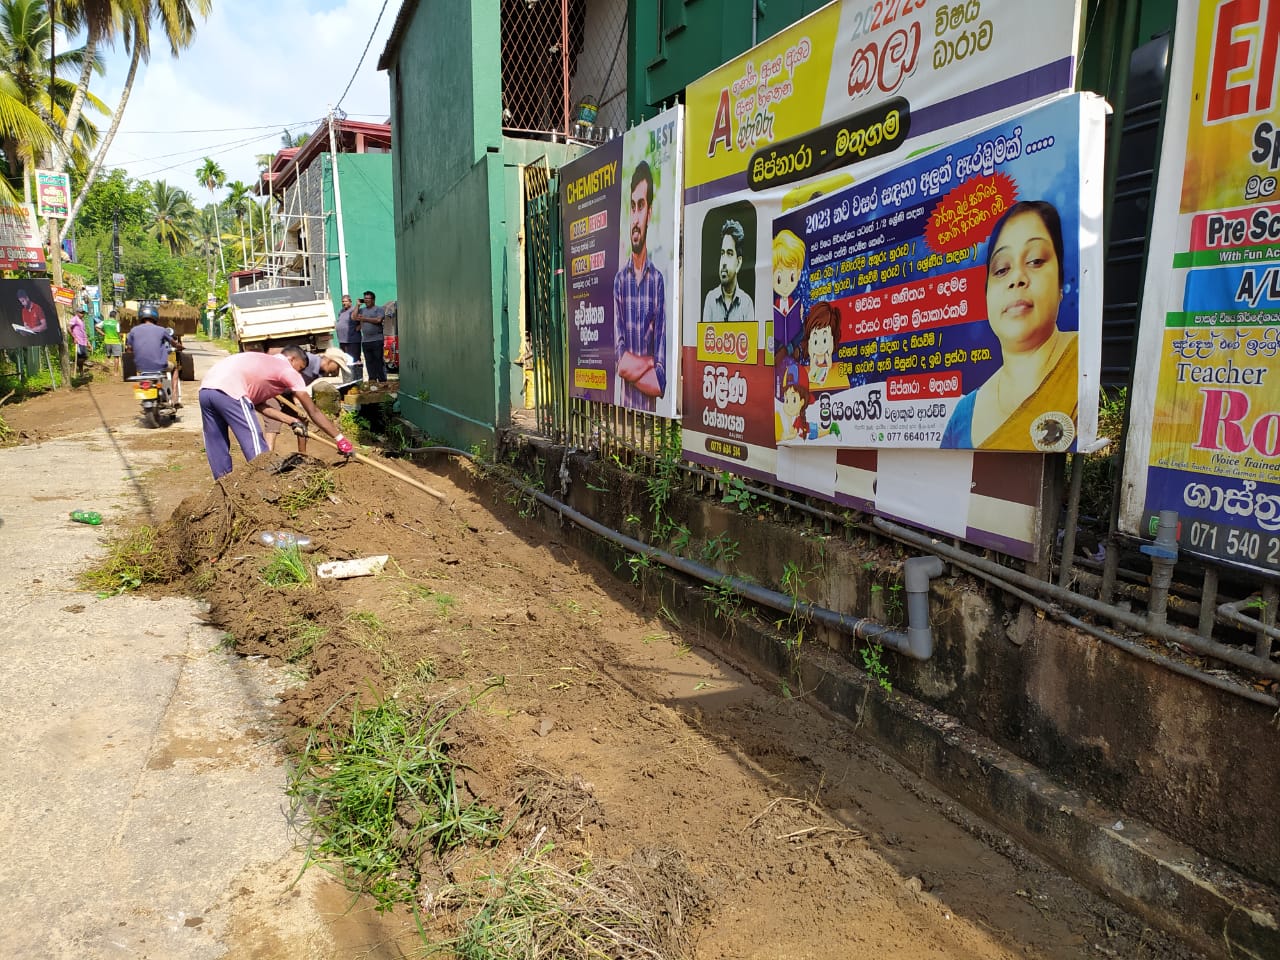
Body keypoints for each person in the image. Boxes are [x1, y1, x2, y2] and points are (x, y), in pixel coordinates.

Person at [941, 200, 1077, 450]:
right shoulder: (963, 415)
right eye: (1002, 269)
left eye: (1035, 261)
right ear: (986, 296)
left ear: (1060, 284)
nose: (1017, 279)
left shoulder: (1083, 364)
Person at [199, 346, 354, 479]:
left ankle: (222, 485)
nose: (299, 373)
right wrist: (339, 438)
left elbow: (260, 406)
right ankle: (263, 481)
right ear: (292, 359)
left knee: (216, 443)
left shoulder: (266, 363)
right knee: (254, 442)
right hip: (231, 391)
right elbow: (312, 410)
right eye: (300, 368)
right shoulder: (287, 369)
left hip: (206, 390)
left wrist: (291, 421)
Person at [612, 160, 666, 411]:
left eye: (641, 206)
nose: (636, 216)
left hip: (651, 424)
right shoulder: (620, 282)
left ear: (650, 212)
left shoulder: (657, 283)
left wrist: (636, 365)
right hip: (622, 417)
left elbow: (660, 381)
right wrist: (648, 362)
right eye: (632, 206)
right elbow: (620, 363)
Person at [261, 347, 354, 453]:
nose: (337, 372)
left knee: (302, 420)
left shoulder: (318, 371)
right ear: (330, 361)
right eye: (337, 367)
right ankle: (266, 456)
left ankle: (302, 455)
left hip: (287, 392)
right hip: (273, 391)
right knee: (273, 422)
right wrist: (298, 402)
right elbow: (292, 379)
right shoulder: (307, 362)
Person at [702, 218, 754, 325]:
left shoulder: (746, 303)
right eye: (722, 253)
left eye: (729, 253)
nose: (724, 262)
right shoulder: (710, 300)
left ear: (738, 263)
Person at [125, 306, 180, 403]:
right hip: (159, 366)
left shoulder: (133, 331)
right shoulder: (162, 330)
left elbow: (129, 348)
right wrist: (179, 346)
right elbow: (173, 343)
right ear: (155, 317)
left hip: (140, 367)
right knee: (175, 368)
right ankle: (175, 398)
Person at [772, 229, 805, 358]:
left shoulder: (795, 305)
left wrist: (800, 318)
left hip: (792, 347)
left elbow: (800, 331)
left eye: (791, 277)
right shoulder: (776, 305)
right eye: (779, 279)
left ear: (798, 274)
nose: (785, 284)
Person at [353, 289, 386, 383]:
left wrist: (365, 319)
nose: (366, 300)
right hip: (366, 340)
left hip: (377, 339)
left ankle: (382, 380)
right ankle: (372, 380)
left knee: (378, 361)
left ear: (373, 300)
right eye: (365, 299)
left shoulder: (379, 309)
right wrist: (357, 305)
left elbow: (379, 320)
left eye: (368, 298)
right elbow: (354, 317)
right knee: (369, 361)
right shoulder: (362, 310)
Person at [97, 309, 123, 374]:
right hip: (115, 341)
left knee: (108, 356)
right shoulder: (116, 323)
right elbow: (118, 332)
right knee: (116, 357)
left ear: (109, 315)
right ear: (115, 316)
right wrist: (121, 338)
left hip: (107, 341)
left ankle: (105, 371)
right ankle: (115, 372)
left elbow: (96, 327)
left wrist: (103, 333)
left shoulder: (104, 322)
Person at [335, 293, 359, 362]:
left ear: (350, 302)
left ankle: (356, 373)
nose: (343, 303)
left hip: (352, 341)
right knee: (345, 360)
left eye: (345, 301)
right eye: (342, 301)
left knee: (354, 360)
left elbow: (361, 321)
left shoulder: (354, 310)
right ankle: (347, 373)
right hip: (342, 341)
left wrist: (359, 327)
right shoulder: (341, 311)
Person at [67, 306, 90, 377]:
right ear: (77, 313)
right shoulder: (75, 319)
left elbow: (84, 331)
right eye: (81, 313)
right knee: (81, 356)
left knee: (84, 357)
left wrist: (88, 342)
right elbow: (68, 327)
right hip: (78, 341)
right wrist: (74, 337)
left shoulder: (82, 321)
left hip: (83, 341)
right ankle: (79, 371)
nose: (82, 314)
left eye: (83, 313)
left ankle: (80, 370)